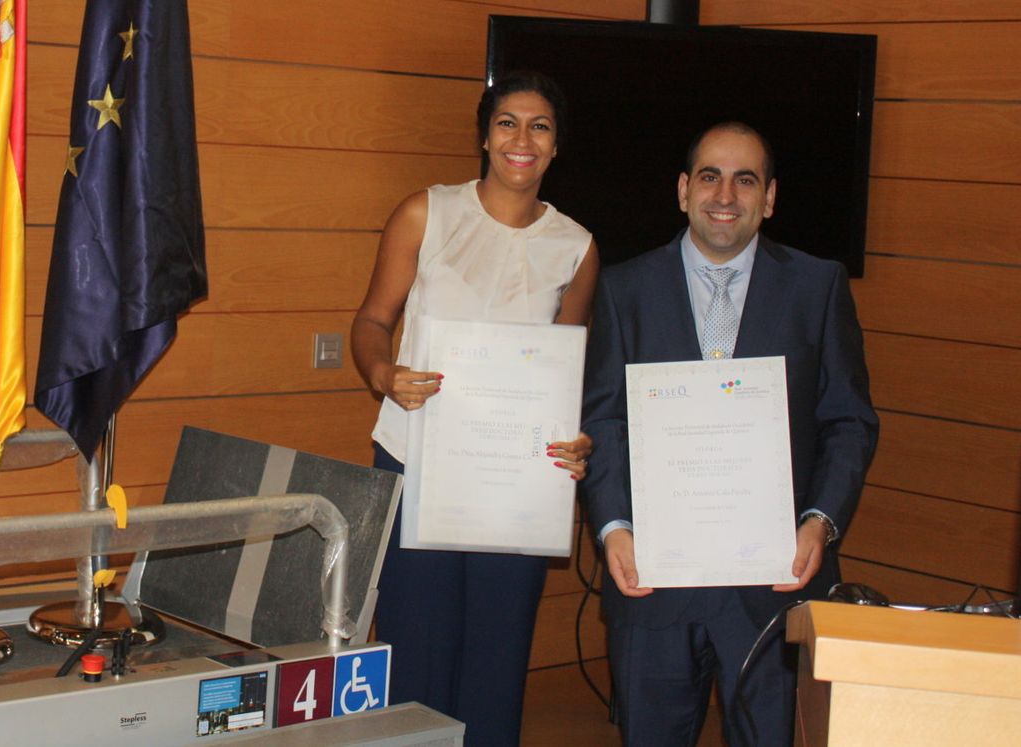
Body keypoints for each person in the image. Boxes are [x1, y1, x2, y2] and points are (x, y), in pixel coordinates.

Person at [580, 122, 879, 746]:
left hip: (773, 584)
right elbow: (603, 419)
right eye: (710, 176)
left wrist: (819, 521)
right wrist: (614, 527)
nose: (726, 194)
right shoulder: (622, 289)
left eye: (746, 179)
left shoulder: (817, 286)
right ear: (684, 190)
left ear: (768, 198)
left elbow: (849, 420)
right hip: (651, 583)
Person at [351, 70, 599, 746]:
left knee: (497, 659)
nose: (523, 138)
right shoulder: (425, 212)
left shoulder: (576, 246)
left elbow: (568, 371)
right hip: (418, 460)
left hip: (516, 482)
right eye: (508, 122)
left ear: (555, 147)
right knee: (415, 653)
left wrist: (575, 442)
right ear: (485, 136)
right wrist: (384, 372)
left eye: (540, 126)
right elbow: (372, 320)